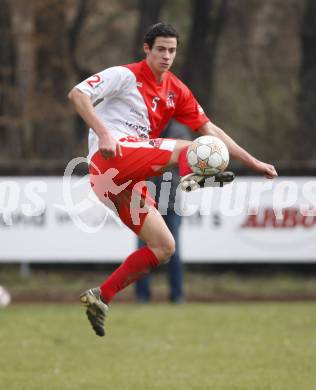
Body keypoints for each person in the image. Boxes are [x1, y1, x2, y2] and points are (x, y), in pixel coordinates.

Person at [68, 22, 277, 337]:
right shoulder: (125, 76)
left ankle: (101, 296)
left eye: (172, 50)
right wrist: (103, 131)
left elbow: (212, 130)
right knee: (189, 149)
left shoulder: (176, 90)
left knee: (164, 246)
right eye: (161, 49)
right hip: (110, 158)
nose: (167, 56)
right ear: (147, 49)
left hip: (117, 183)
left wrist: (253, 161)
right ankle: (195, 175)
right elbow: (77, 94)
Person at [135, 121, 188, 304]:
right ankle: (142, 296)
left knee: (173, 251)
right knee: (143, 250)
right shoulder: (142, 129)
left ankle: (177, 295)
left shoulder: (179, 132)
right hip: (145, 201)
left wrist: (154, 161)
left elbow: (184, 164)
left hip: (171, 201)